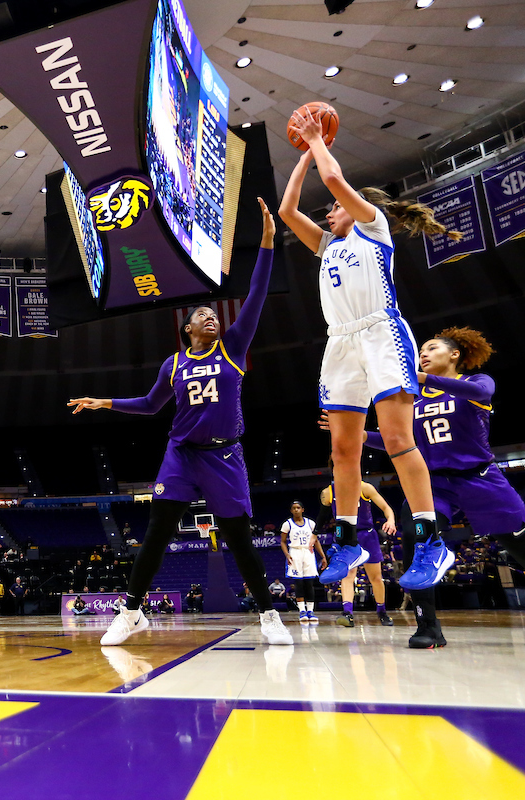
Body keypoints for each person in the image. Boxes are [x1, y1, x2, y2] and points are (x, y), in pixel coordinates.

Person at [68, 199, 293, 647]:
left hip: (225, 455)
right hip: (181, 455)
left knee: (238, 538)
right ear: (188, 329)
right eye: (202, 316)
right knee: (156, 532)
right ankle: (131, 613)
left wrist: (267, 242)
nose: (211, 318)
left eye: (214, 315)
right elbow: (151, 405)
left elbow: (256, 294)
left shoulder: (233, 347)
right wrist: (104, 402)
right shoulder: (173, 364)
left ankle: (269, 615)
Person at [280, 110, 462, 591]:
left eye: (334, 208)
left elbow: (334, 179)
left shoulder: (373, 226)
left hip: (381, 334)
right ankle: (347, 542)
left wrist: (317, 142)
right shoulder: (327, 245)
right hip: (340, 341)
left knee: (398, 438)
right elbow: (288, 212)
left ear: (357, 206)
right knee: (343, 449)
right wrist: (304, 155)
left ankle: (431, 542)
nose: (328, 212)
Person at [343, 327, 525, 647]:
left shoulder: (476, 382)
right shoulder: (412, 398)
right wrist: (359, 436)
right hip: (434, 483)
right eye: (421, 351)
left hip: (479, 477)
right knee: (415, 535)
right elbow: (396, 440)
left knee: (519, 546)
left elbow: (481, 393)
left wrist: (424, 379)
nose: (423, 354)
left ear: (454, 354)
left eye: (431, 348)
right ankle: (427, 627)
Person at [320, 481, 396, 628]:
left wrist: (391, 520)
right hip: (346, 536)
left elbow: (386, 507)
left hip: (367, 535)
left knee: (375, 577)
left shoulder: (365, 487)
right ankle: (347, 613)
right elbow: (322, 516)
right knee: (348, 575)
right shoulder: (329, 491)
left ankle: (382, 612)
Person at [279, 500, 327, 624]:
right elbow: (282, 541)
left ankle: (310, 611)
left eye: (298, 507)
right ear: (291, 511)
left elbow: (316, 541)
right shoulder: (287, 524)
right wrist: (287, 554)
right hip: (295, 552)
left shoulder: (311, 523)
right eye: (294, 508)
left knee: (309, 583)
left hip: (308, 552)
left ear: (302, 509)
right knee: (298, 583)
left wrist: (323, 557)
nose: (296, 510)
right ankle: (302, 611)